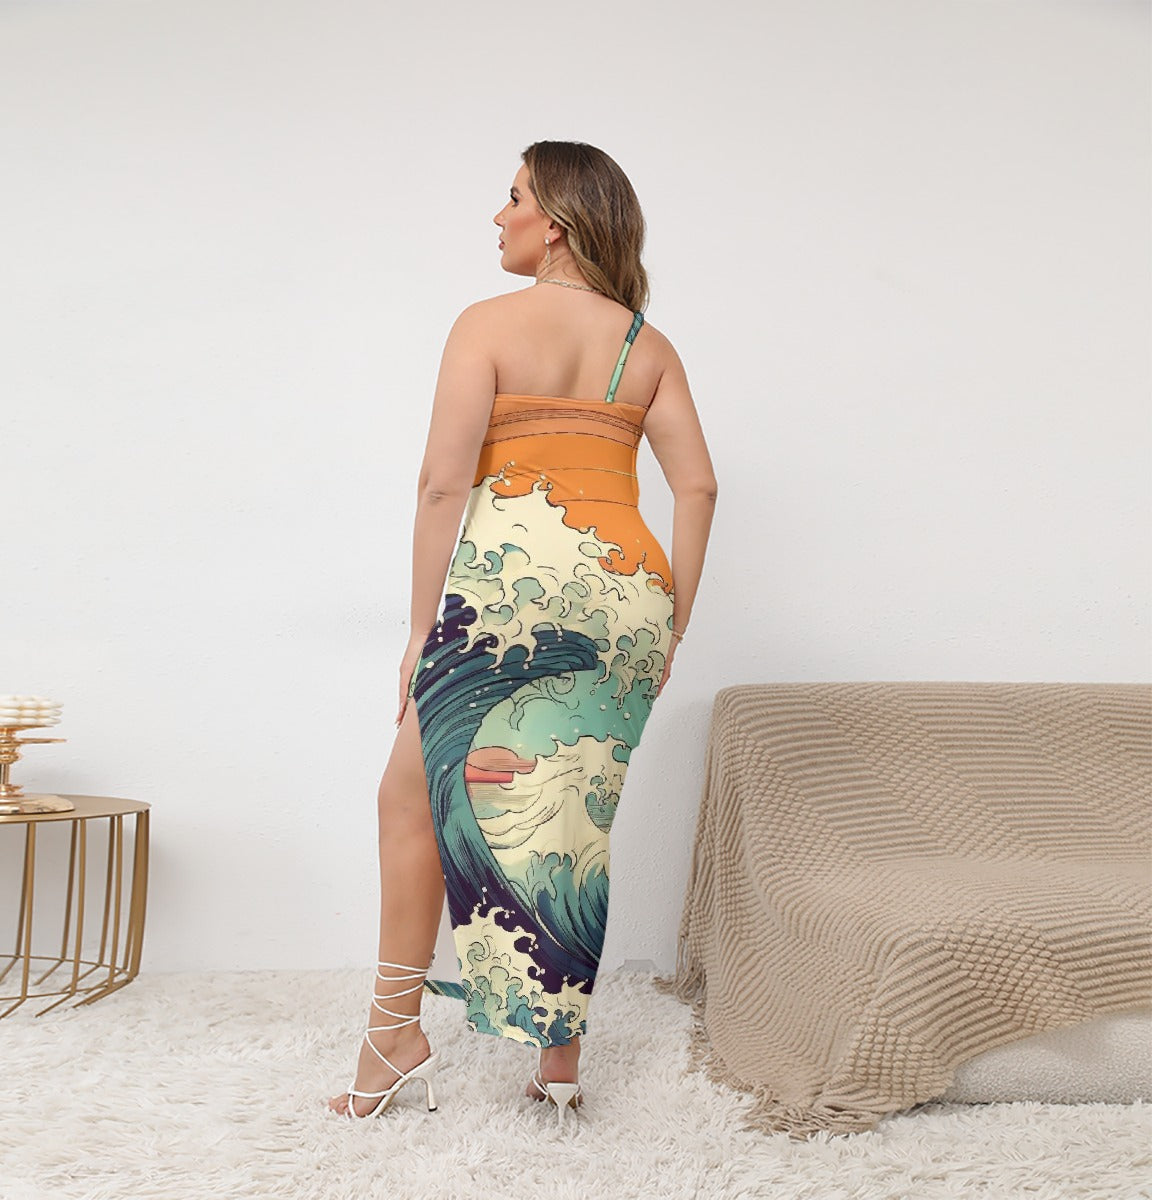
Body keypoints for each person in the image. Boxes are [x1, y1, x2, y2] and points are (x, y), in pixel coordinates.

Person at [329, 140, 718, 1123]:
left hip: (512, 590)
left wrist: (421, 629)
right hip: (626, 592)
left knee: (408, 798)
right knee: (567, 813)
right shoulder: (646, 345)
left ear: (555, 222)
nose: (497, 216)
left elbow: (442, 485)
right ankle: (559, 1062)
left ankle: (393, 1033)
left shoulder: (487, 324)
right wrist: (673, 621)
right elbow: (699, 487)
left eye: (512, 198)